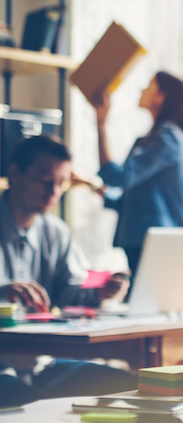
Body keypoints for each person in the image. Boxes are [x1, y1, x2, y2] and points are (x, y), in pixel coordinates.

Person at [0, 135, 135, 407]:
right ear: (14, 173)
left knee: (129, 386)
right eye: (46, 181)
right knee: (35, 405)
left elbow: (70, 292)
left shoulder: (56, 232)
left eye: (62, 183)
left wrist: (99, 291)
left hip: (42, 365)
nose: (54, 192)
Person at [92, 71, 183, 283]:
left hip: (154, 241)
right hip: (152, 241)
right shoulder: (158, 138)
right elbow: (135, 199)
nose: (142, 89)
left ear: (162, 96)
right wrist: (91, 185)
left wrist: (101, 123)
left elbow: (118, 177)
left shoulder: (167, 138)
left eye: (149, 85)